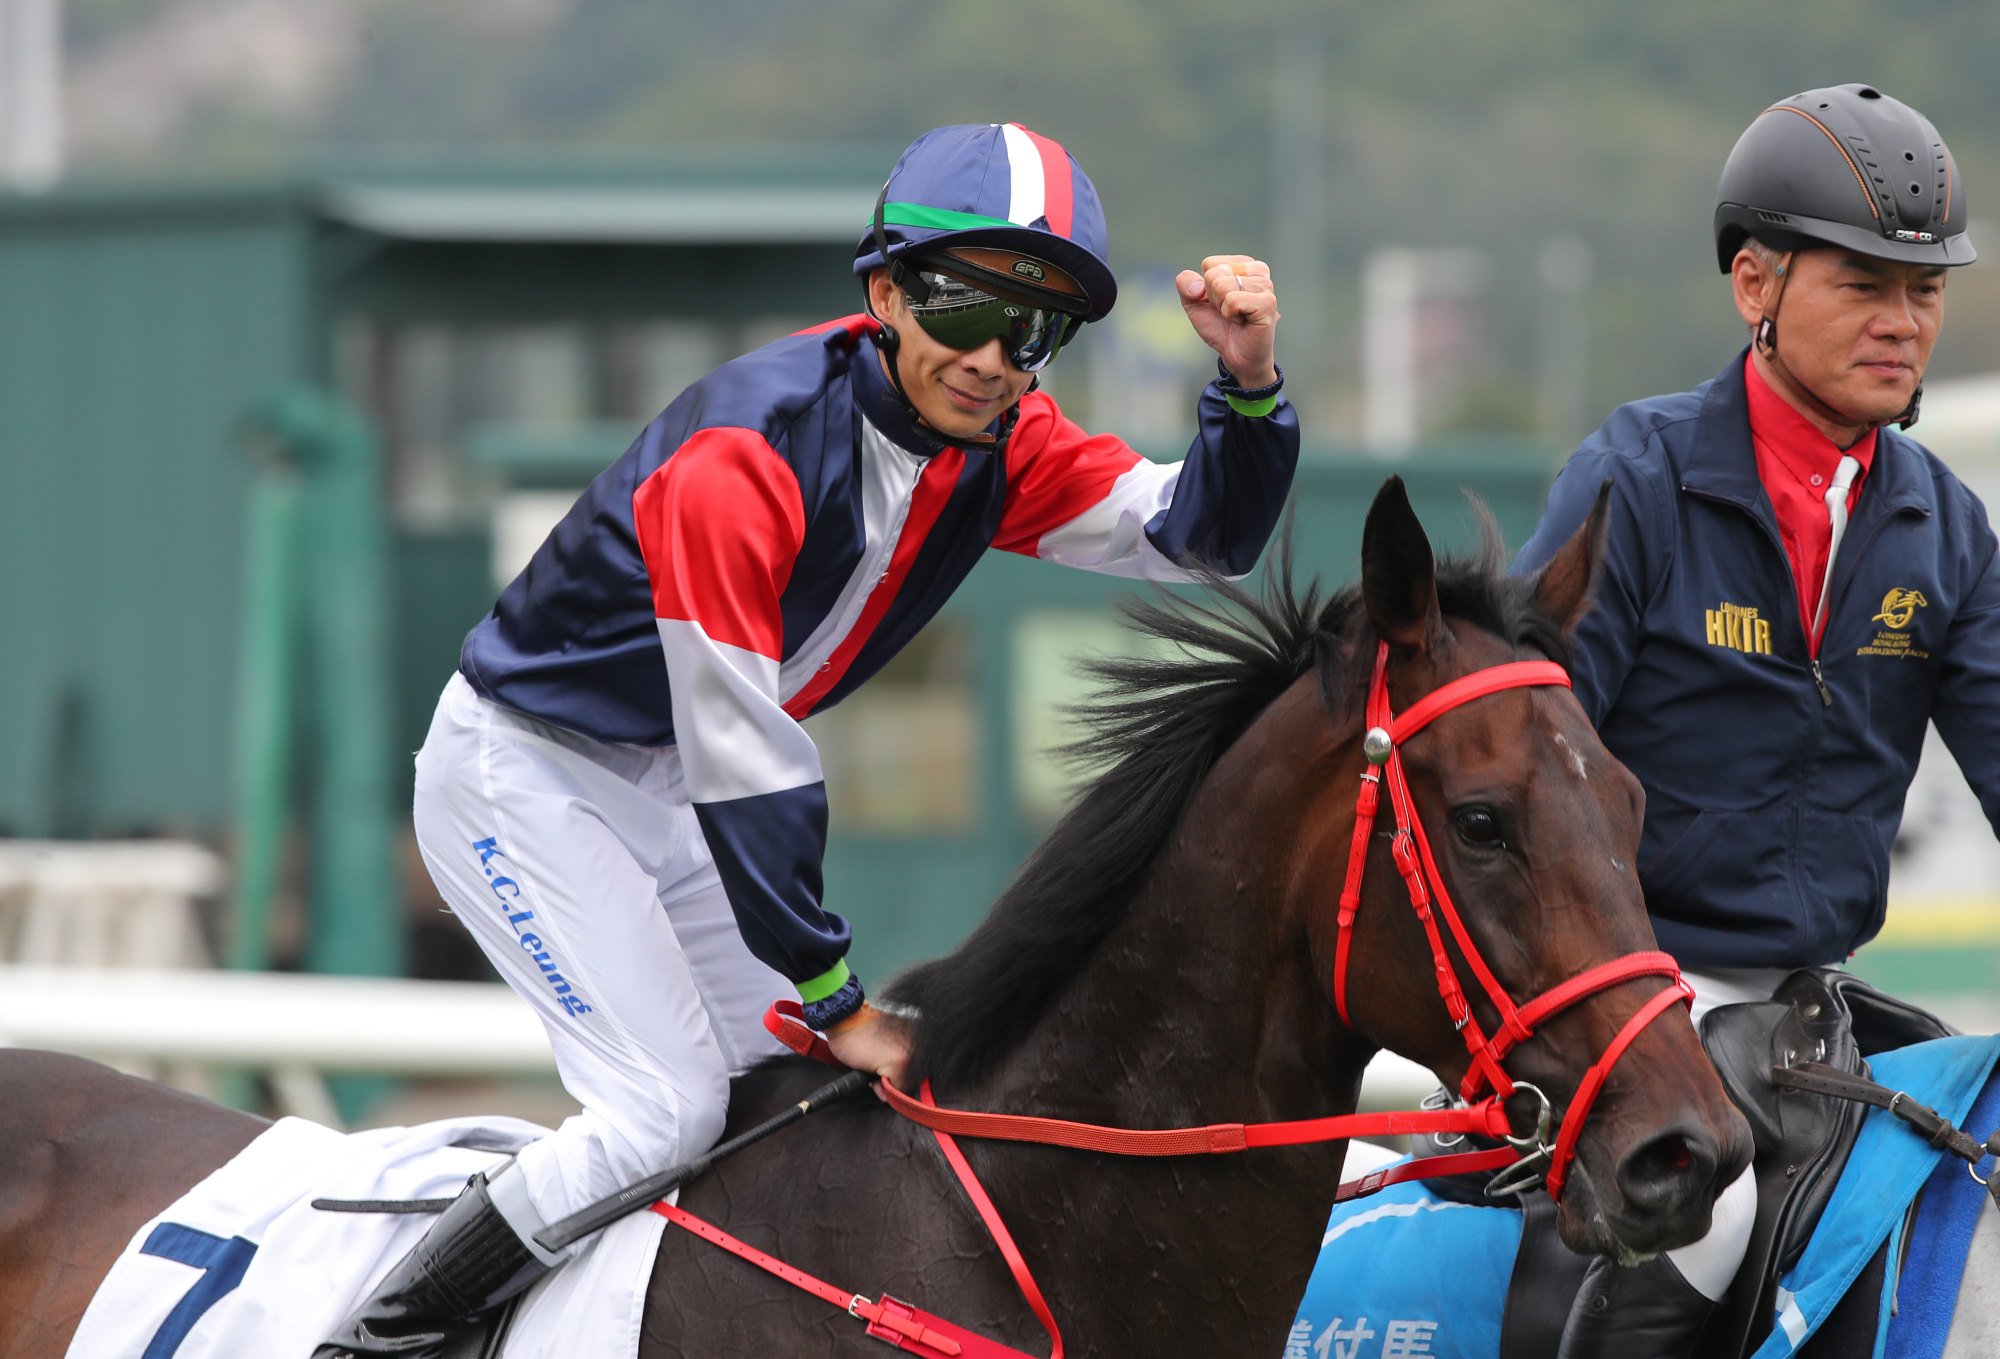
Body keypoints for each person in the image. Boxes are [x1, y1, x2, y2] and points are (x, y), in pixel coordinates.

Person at [316, 121, 1298, 1358]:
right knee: (660, 1115)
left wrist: (1248, 386)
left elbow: (1199, 539)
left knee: (789, 1110)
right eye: (960, 307)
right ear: (884, 292)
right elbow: (745, 750)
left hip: (670, 790)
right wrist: (834, 994)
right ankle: (373, 1337)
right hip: (525, 772)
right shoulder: (743, 455)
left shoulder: (1004, 446)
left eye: (1031, 331)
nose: (993, 360)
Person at [1295, 83, 2000, 1359]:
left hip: (1807, 1006)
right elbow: (1518, 770)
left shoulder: (1944, 528)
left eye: (1923, 292)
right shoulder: (1635, 479)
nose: (1903, 325)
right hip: (1619, 989)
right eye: (1863, 285)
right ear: (1754, 285)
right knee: (1704, 1224)